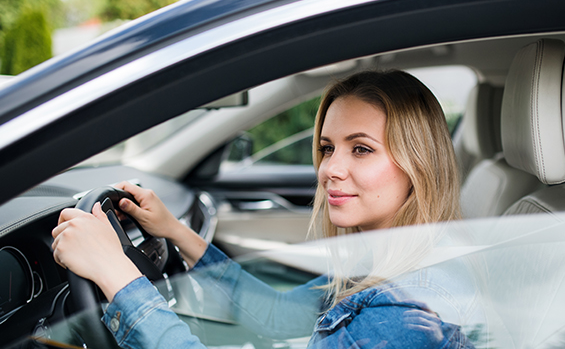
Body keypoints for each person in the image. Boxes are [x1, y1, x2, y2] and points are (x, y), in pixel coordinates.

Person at [51, 70, 477, 348]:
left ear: (417, 164)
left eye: (361, 149)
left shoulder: (408, 310)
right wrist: (178, 233)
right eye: (327, 149)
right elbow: (277, 316)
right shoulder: (383, 260)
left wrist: (117, 276)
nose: (330, 169)